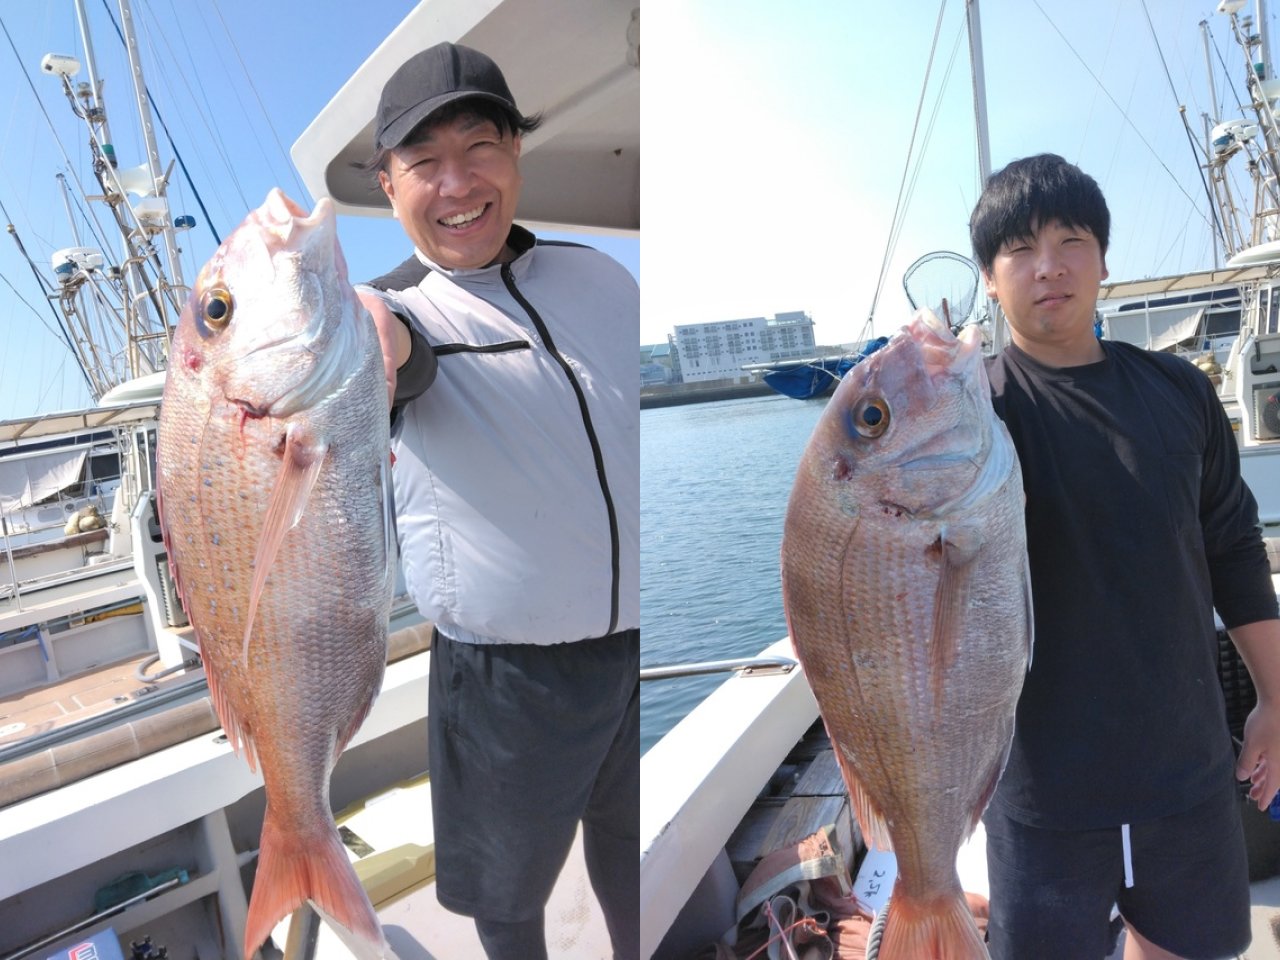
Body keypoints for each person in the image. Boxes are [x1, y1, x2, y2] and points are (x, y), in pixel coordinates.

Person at [353, 42, 639, 960]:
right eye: (423, 162)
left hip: (637, 643)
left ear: (517, 152)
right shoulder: (395, 309)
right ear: (387, 184)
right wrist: (366, 343)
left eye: (479, 147)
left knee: (630, 860)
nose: (456, 183)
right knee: (507, 900)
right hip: (503, 679)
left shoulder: (599, 277)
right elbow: (386, 355)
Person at [969, 153, 1280, 960]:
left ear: (1104, 260)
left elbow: (1235, 550)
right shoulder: (971, 412)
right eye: (1019, 249)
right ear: (991, 278)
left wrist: (1276, 698)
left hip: (1189, 776)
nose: (1048, 266)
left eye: (1071, 241)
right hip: (1039, 795)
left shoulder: (1181, 392)